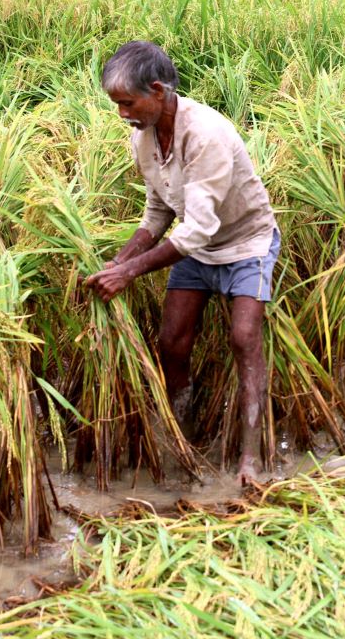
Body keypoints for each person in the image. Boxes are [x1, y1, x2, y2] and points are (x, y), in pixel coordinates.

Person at [84, 41, 281, 487]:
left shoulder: (206, 134)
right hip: (195, 248)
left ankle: (251, 457)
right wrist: (119, 260)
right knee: (172, 342)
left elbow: (198, 230)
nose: (122, 114)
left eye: (127, 103)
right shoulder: (144, 136)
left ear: (158, 90)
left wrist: (131, 272)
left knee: (244, 337)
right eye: (117, 104)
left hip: (244, 242)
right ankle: (182, 431)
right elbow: (157, 213)